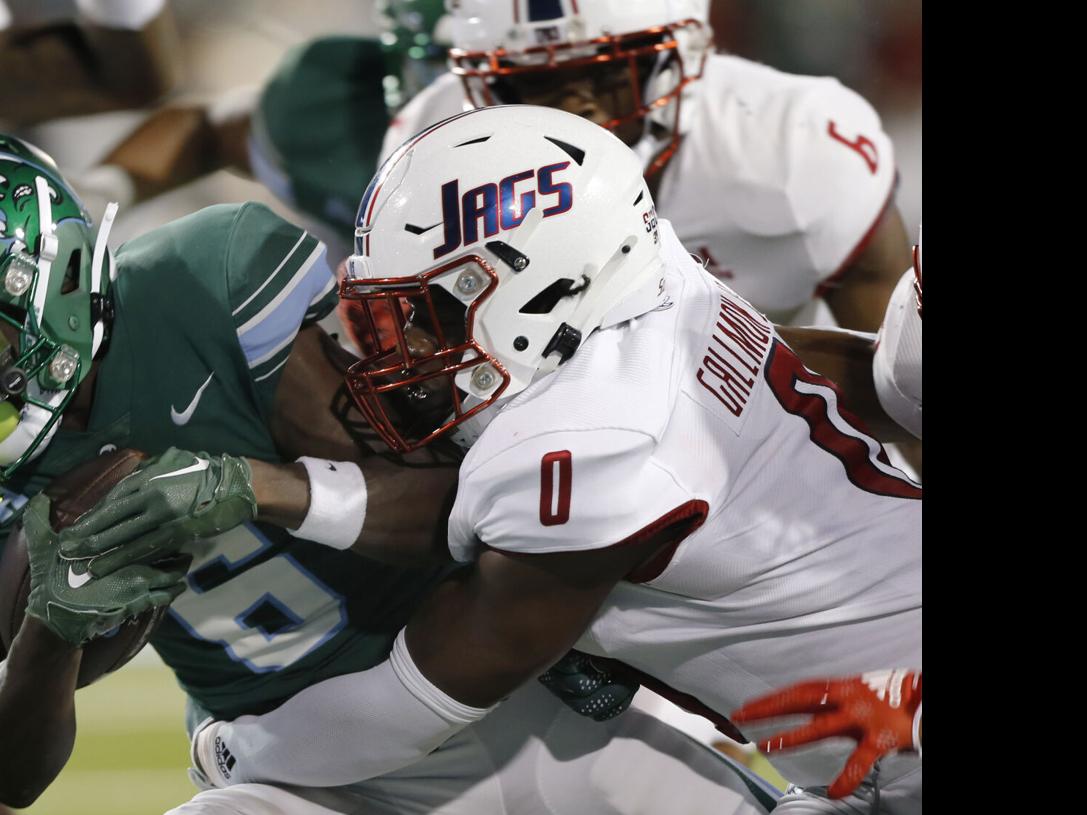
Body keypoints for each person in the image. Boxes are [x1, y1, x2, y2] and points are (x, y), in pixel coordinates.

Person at [0, 134, 784, 815]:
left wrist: (247, 485)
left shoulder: (204, 282)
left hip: (491, 696)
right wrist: (56, 627)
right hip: (289, 766)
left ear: (48, 275)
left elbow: (462, 501)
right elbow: (17, 774)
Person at [174, 105, 921, 814]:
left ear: (549, 285)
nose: (415, 349)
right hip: (872, 734)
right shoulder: (647, 286)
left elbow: (430, 690)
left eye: (432, 313)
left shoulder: (592, 435)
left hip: (899, 738)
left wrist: (236, 751)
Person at [382, 0, 912, 332]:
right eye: (534, 80)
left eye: (610, 72)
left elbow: (898, 377)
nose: (575, 108)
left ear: (680, 55)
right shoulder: (438, 139)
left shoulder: (793, 145)